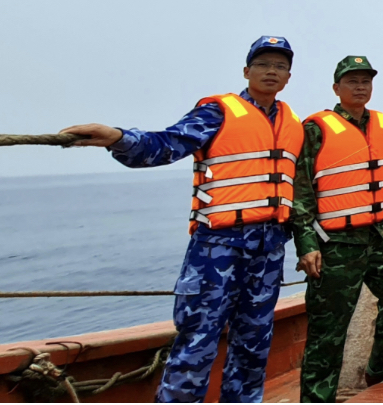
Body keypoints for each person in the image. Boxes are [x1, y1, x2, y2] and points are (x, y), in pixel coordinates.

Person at [61, 36, 303, 403]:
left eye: (280, 66)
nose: (272, 71)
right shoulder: (217, 112)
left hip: (268, 250)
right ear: (246, 71)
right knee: (197, 342)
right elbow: (166, 144)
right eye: (263, 64)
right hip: (217, 248)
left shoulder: (292, 123)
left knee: (254, 345)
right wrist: (118, 138)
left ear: (288, 76)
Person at [291, 55, 383, 401]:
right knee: (329, 327)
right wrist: (305, 245)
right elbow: (300, 191)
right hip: (335, 243)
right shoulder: (315, 129)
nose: (360, 87)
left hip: (379, 236)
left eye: (365, 81)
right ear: (337, 88)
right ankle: (318, 397)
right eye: (352, 81)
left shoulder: (382, 124)